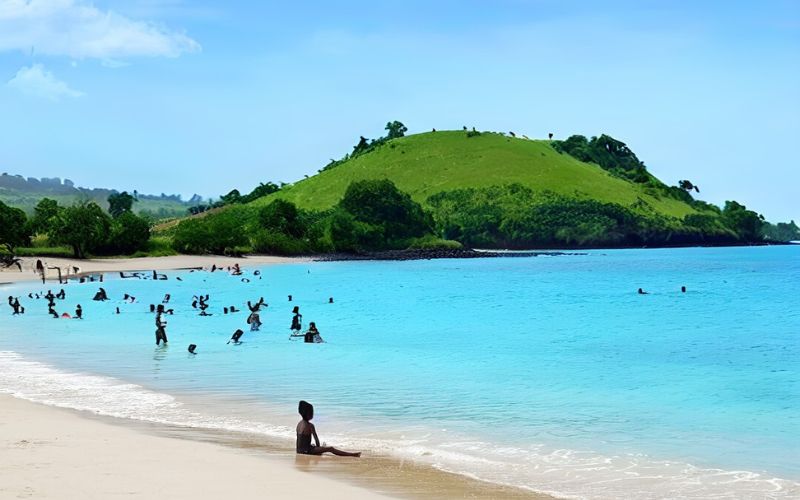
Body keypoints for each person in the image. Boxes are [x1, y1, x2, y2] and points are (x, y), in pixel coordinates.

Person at [296, 401, 360, 457]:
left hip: (299, 450)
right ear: (309, 414)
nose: (313, 414)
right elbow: (316, 440)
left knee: (313, 445)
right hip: (307, 451)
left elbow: (300, 440)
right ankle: (352, 455)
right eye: (312, 412)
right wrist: (319, 449)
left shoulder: (299, 424)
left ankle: (318, 448)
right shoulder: (310, 425)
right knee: (330, 448)